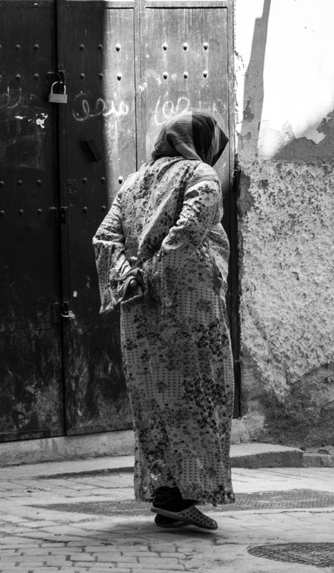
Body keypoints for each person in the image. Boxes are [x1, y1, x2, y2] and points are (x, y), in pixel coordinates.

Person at [93, 112, 234, 532]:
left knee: (154, 399)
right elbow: (191, 227)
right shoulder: (201, 175)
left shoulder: (133, 183)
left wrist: (128, 276)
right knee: (197, 394)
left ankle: (165, 495)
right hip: (187, 308)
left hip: (139, 313)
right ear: (202, 143)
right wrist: (157, 272)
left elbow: (105, 238)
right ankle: (180, 495)